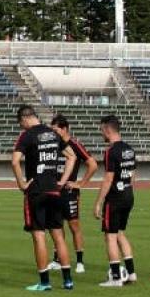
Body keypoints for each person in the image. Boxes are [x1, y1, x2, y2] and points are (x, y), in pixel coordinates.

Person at [11, 105, 76, 292]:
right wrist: (62, 181)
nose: (22, 128)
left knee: (39, 236)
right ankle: (68, 280)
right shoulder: (53, 133)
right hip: (55, 190)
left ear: (24, 119)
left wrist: (21, 183)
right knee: (58, 235)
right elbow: (71, 157)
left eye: (21, 124)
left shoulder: (27, 135)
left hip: (36, 191)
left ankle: (45, 282)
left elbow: (15, 161)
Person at [49, 114, 98, 274]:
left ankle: (80, 261)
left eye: (55, 130)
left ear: (64, 129)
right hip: (55, 191)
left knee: (74, 225)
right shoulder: (54, 145)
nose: (53, 133)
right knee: (56, 225)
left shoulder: (75, 145)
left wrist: (80, 184)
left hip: (70, 192)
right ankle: (57, 260)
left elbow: (92, 164)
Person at [94, 115, 138, 287]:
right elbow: (133, 174)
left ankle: (115, 277)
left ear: (107, 129)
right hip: (128, 194)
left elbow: (108, 179)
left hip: (115, 198)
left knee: (110, 237)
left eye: (101, 130)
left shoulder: (111, 151)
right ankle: (131, 273)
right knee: (120, 233)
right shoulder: (129, 149)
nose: (101, 134)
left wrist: (99, 202)